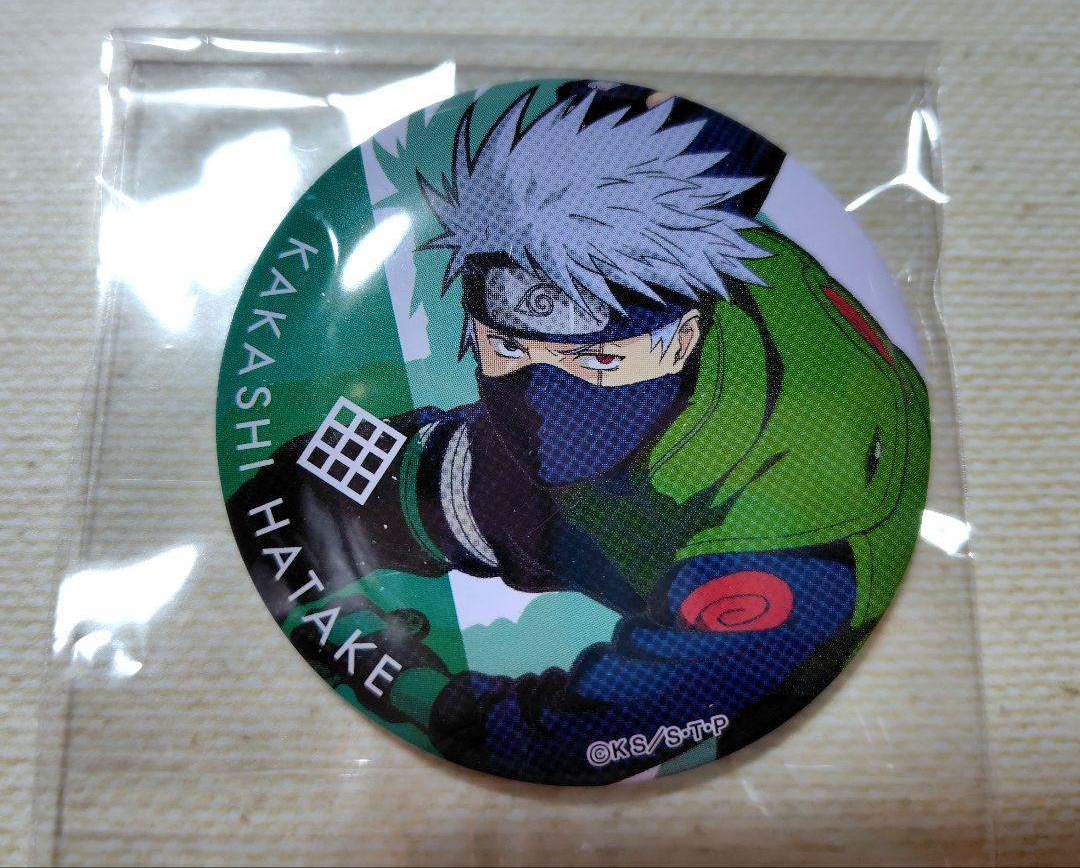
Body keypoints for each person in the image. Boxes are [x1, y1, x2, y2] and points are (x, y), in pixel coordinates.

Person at [227, 90, 929, 784]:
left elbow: (583, 734)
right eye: (508, 347)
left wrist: (416, 689)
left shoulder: (787, 555)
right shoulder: (672, 200)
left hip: (784, 607)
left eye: (595, 360)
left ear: (681, 338)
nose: (542, 399)